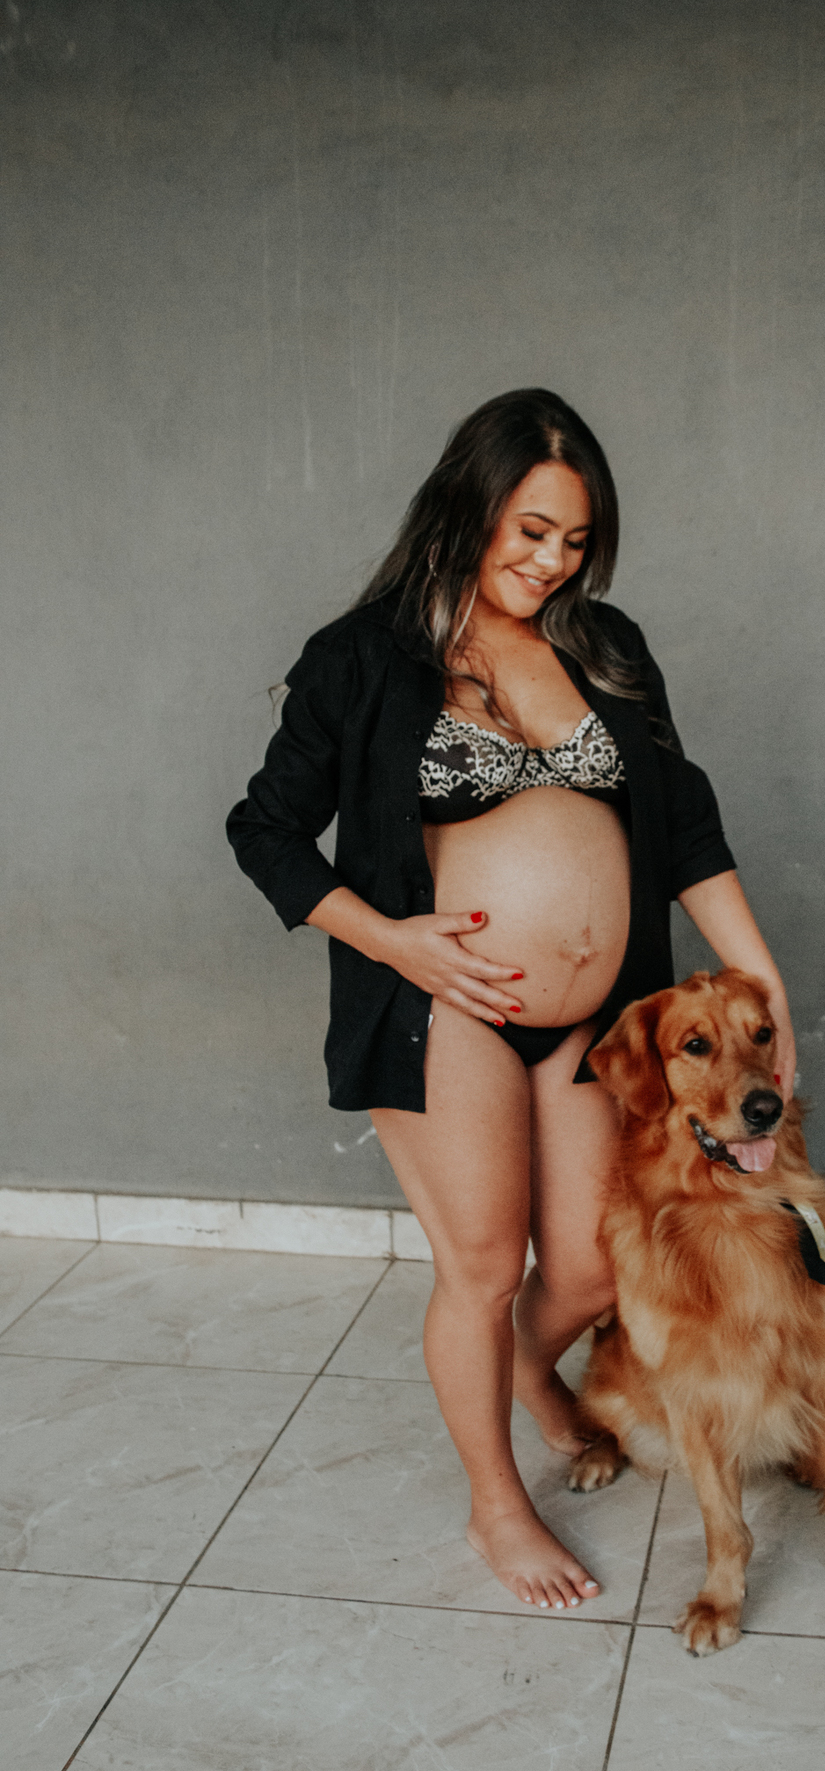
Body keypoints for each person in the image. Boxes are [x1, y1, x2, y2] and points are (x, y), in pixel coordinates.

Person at [227, 388, 796, 1614]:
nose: (551, 563)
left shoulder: (607, 645)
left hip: (597, 1017)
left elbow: (684, 820)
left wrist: (765, 982)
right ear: (467, 508)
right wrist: (394, 941)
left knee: (591, 1265)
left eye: (575, 541)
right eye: (530, 532)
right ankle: (496, 1503)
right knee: (484, 1268)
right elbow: (264, 830)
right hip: (446, 1005)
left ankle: (527, 1373)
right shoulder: (362, 657)